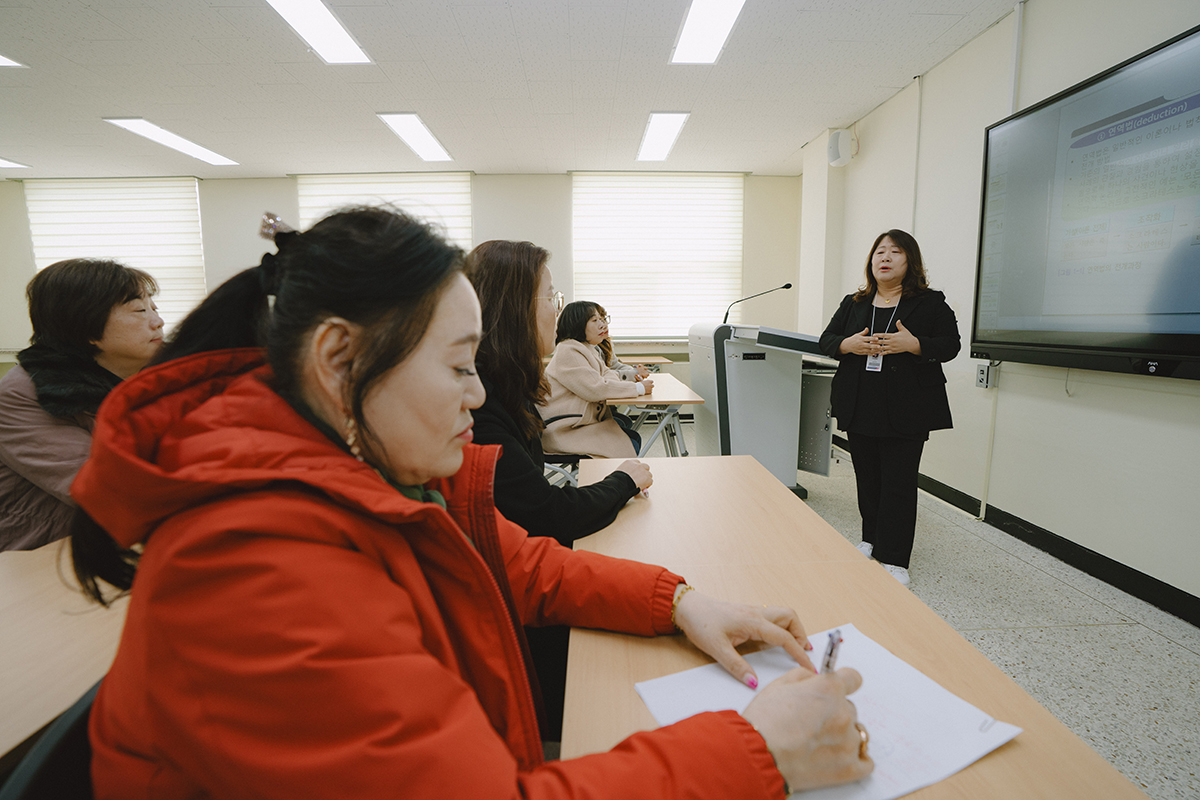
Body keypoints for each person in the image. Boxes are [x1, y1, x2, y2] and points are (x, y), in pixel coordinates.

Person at [70, 206, 873, 799]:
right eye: (458, 366)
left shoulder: (369, 463)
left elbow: (516, 564)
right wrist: (758, 749)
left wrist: (680, 601)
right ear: (339, 361)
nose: (479, 392)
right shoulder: (248, 563)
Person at [466, 241, 651, 546]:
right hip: (568, 429)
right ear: (515, 307)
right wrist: (622, 482)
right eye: (551, 297)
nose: (557, 309)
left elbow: (608, 371)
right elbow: (546, 514)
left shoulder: (507, 381)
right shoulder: (479, 401)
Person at [818, 229, 961, 586]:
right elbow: (826, 341)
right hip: (860, 403)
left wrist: (915, 344)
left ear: (910, 261)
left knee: (898, 482)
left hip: (908, 407)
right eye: (879, 252)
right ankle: (871, 539)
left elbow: (950, 345)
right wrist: (848, 344)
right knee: (868, 478)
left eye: (894, 252)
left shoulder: (930, 303)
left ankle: (896, 558)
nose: (884, 258)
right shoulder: (854, 303)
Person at [0, 259, 161, 551]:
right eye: (139, 310)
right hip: (43, 555)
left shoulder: (145, 377)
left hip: (122, 542)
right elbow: (104, 490)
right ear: (85, 328)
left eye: (155, 308)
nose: (158, 322)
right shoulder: (23, 395)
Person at [542, 301, 653, 458]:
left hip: (579, 423)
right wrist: (638, 389)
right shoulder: (568, 350)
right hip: (564, 429)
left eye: (602, 319)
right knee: (630, 440)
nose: (602, 325)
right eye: (595, 320)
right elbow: (597, 389)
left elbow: (607, 374)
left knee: (628, 435)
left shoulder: (587, 348)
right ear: (578, 324)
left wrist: (612, 381)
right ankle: (614, 479)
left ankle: (617, 478)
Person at [593, 302, 651, 383]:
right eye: (597, 321)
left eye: (604, 319)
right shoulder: (587, 348)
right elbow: (602, 376)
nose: (605, 325)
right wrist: (634, 373)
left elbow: (615, 365)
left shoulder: (606, 342)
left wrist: (635, 371)